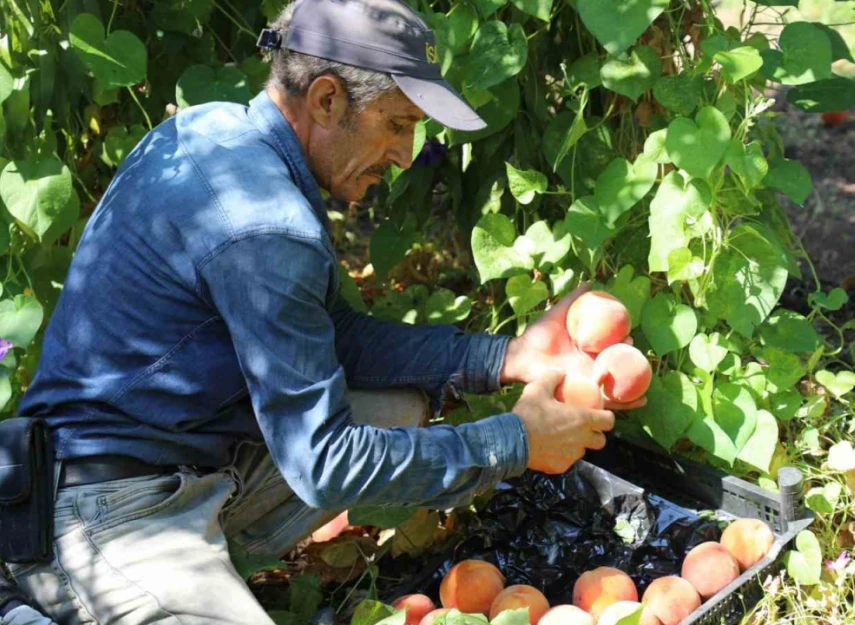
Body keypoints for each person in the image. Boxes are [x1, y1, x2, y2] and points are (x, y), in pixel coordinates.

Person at [0, 1, 643, 623]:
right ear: (328, 99)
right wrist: (514, 441)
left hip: (173, 457)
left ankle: (183, 576)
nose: (405, 154)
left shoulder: (214, 132)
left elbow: (332, 337)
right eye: (397, 124)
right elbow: (325, 463)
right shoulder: (263, 226)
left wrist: (503, 357)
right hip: (102, 508)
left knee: (397, 412)